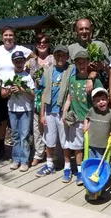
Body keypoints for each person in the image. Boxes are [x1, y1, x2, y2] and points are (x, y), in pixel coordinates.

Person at [0, 26, 33, 158]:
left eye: (11, 35)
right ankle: (1, 145)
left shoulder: (20, 49)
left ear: (14, 37)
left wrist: (28, 66)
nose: (8, 38)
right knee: (3, 119)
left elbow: (33, 57)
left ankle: (23, 151)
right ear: (2, 36)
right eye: (6, 35)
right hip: (3, 90)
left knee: (19, 121)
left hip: (18, 88)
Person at [63, 50, 103, 185]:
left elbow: (102, 98)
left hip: (91, 120)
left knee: (91, 146)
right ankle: (80, 171)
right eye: (78, 62)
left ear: (88, 63)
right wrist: (64, 111)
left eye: (84, 62)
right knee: (77, 147)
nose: (81, 64)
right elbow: (70, 96)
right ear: (74, 63)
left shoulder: (95, 80)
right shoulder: (72, 79)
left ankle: (92, 170)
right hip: (76, 119)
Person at [35, 45, 75, 179]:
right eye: (58, 55)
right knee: (49, 140)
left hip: (62, 111)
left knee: (65, 141)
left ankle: (67, 167)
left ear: (67, 57)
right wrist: (41, 114)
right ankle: (49, 164)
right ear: (54, 56)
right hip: (49, 111)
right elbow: (42, 93)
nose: (60, 57)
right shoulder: (48, 72)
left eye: (63, 55)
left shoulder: (71, 70)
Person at [1, 51, 35, 172]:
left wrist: (22, 89)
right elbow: (3, 94)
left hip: (26, 109)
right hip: (12, 109)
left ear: (24, 61)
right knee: (15, 136)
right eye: (16, 61)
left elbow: (32, 95)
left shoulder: (28, 76)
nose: (19, 63)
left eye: (21, 60)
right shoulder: (8, 76)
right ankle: (16, 159)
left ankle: (25, 161)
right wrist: (10, 90)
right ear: (13, 62)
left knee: (24, 136)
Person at [27, 33, 55, 166]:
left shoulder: (54, 59)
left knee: (50, 127)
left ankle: (52, 155)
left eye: (45, 42)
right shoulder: (31, 62)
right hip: (35, 97)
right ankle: (38, 153)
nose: (42, 44)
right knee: (37, 127)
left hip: (51, 97)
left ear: (49, 44)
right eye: (39, 42)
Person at [69, 18, 111, 92]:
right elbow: (66, 72)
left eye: (87, 29)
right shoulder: (71, 49)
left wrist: (103, 66)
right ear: (76, 31)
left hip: (98, 91)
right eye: (81, 29)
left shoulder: (100, 46)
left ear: (91, 29)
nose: (84, 31)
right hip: (77, 90)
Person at [83, 87, 111, 158]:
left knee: (100, 161)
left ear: (108, 100)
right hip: (91, 143)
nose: (101, 102)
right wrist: (85, 125)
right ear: (94, 103)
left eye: (103, 99)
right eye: (98, 100)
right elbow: (86, 118)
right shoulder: (92, 110)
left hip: (103, 144)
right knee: (91, 161)